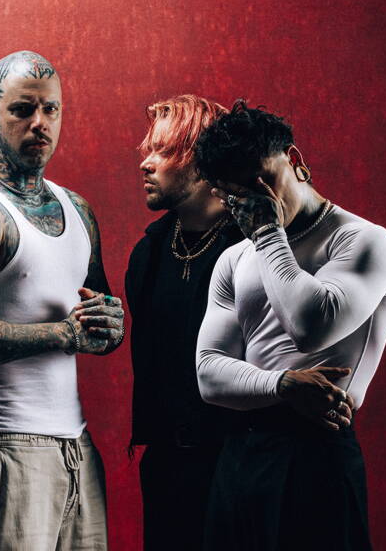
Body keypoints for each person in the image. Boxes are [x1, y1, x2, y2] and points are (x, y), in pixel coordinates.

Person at [0, 50, 123, 550]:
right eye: (22, 109)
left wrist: (109, 325)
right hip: (5, 446)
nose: (40, 123)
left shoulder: (77, 209)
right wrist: (64, 335)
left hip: (76, 445)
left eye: (50, 109)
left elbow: (94, 320)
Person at [194, 100, 386, 551]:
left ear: (294, 160)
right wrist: (282, 384)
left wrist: (268, 233)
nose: (257, 205)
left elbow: (310, 326)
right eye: (238, 196)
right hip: (241, 453)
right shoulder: (234, 259)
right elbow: (209, 373)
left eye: (263, 182)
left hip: (316, 452)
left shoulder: (364, 241)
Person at [125, 95, 243, 550]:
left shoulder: (254, 247)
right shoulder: (149, 252)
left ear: (204, 161)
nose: (146, 164)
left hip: (237, 461)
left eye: (163, 151)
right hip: (167, 467)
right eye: (148, 151)